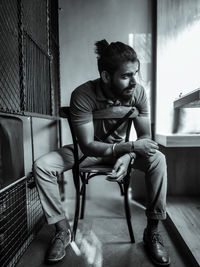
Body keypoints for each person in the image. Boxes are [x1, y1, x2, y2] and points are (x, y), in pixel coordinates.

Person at [34, 39, 170, 266]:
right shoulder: (82, 94)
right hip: (89, 151)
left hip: (125, 151)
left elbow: (145, 137)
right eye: (126, 76)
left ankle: (152, 231)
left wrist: (129, 154)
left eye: (136, 73)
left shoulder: (138, 92)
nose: (135, 81)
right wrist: (128, 148)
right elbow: (87, 145)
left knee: (159, 159)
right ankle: (62, 230)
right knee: (42, 166)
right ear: (106, 76)